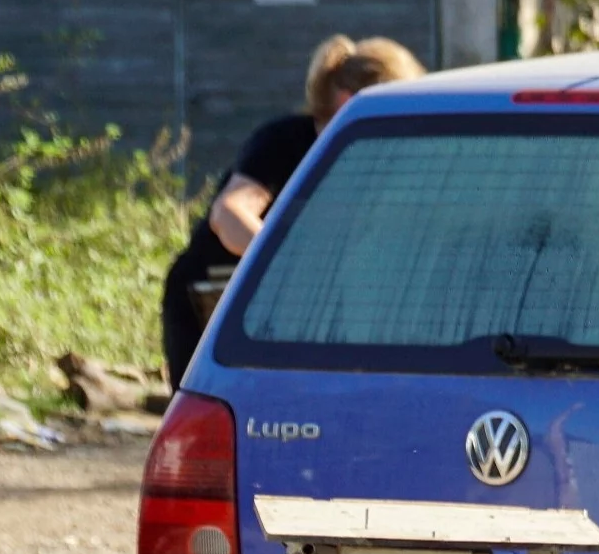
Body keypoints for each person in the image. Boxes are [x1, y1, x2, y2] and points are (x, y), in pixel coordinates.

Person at [159, 35, 425, 383]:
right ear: (348, 101)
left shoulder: (375, 164)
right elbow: (229, 214)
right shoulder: (285, 142)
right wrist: (290, 268)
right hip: (211, 305)